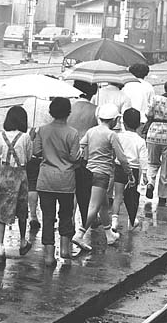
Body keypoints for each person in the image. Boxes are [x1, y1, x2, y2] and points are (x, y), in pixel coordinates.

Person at [73, 104, 131, 251]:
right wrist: (129, 173)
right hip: (102, 174)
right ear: (114, 120)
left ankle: (109, 234)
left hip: (89, 172)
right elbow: (122, 158)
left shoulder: (91, 131)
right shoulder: (111, 135)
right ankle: (79, 234)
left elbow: (80, 146)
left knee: (104, 205)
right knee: (94, 207)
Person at [32, 97, 80, 267]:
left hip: (45, 180)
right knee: (66, 215)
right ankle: (65, 250)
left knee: (48, 217)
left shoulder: (42, 130)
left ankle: (48, 256)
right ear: (68, 112)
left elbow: (36, 152)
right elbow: (74, 157)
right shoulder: (72, 133)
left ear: (51, 112)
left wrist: (34, 137)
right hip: (66, 180)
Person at [0, 105, 32, 264]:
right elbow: (29, 157)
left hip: (4, 175)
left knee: (2, 210)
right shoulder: (25, 137)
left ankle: (0, 246)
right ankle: (22, 241)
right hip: (20, 175)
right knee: (22, 209)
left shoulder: (0, 136)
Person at [68, 80, 98, 233]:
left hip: (68, 152)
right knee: (85, 188)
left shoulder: (69, 108)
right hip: (87, 154)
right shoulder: (96, 110)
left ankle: (71, 218)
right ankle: (89, 217)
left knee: (71, 187)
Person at [110, 109, 148, 232]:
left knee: (118, 195)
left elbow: (113, 152)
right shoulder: (140, 141)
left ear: (124, 123)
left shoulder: (118, 136)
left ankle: (114, 221)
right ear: (138, 124)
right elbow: (143, 159)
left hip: (119, 167)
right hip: (134, 170)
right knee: (131, 197)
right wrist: (145, 174)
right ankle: (132, 220)